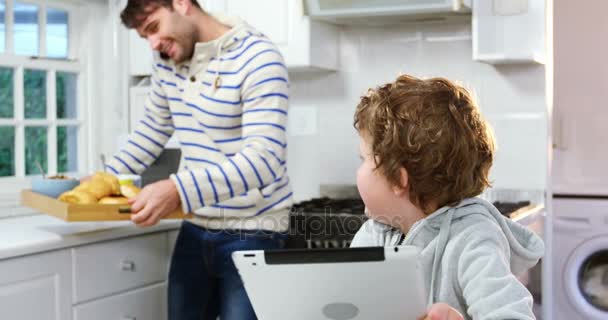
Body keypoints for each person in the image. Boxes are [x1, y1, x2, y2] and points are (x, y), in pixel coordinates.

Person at [106, 0, 293, 319]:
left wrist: (176, 189)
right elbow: (153, 128)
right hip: (195, 227)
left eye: (154, 28)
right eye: (144, 37)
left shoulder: (258, 57)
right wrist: (105, 179)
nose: (153, 44)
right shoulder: (167, 59)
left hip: (254, 230)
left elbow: (264, 159)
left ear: (181, 4)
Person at [350, 74, 544, 320]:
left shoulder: (472, 239)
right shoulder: (373, 235)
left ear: (399, 180)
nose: (357, 171)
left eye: (364, 159)